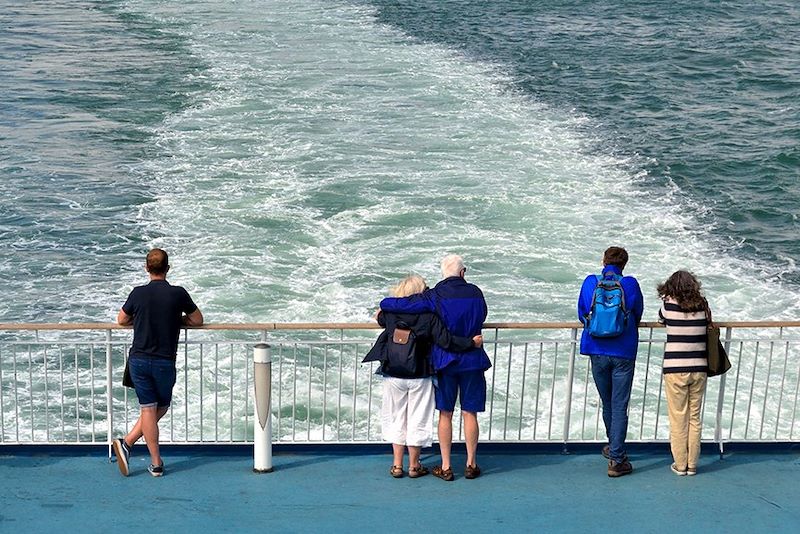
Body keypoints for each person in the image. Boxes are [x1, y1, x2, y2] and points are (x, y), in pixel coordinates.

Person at [380, 255, 490, 481]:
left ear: (443, 272)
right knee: (470, 412)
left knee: (446, 413)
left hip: (446, 361)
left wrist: (385, 304)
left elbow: (405, 304)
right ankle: (471, 463)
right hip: (472, 359)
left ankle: (447, 466)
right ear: (463, 272)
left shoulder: (435, 295)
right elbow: (483, 315)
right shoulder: (476, 293)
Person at [112, 249, 203, 477]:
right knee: (158, 408)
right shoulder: (178, 294)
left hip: (139, 360)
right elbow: (197, 320)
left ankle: (128, 443)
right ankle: (155, 462)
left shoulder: (138, 293)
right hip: (164, 361)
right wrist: (176, 318)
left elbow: (122, 319)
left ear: (146, 268)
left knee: (150, 409)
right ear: (168, 269)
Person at [577, 246, 644, 477]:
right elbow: (638, 312)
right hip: (623, 351)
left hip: (596, 349)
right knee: (619, 405)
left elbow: (582, 311)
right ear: (624, 264)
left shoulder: (590, 282)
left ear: (603, 261)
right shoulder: (631, 284)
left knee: (607, 402)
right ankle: (617, 457)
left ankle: (613, 447)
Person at [657, 270, 709, 476]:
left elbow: (661, 320)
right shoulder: (702, 304)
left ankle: (680, 465)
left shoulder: (668, 303)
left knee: (678, 417)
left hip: (675, 369)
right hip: (699, 368)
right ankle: (693, 464)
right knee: (694, 417)